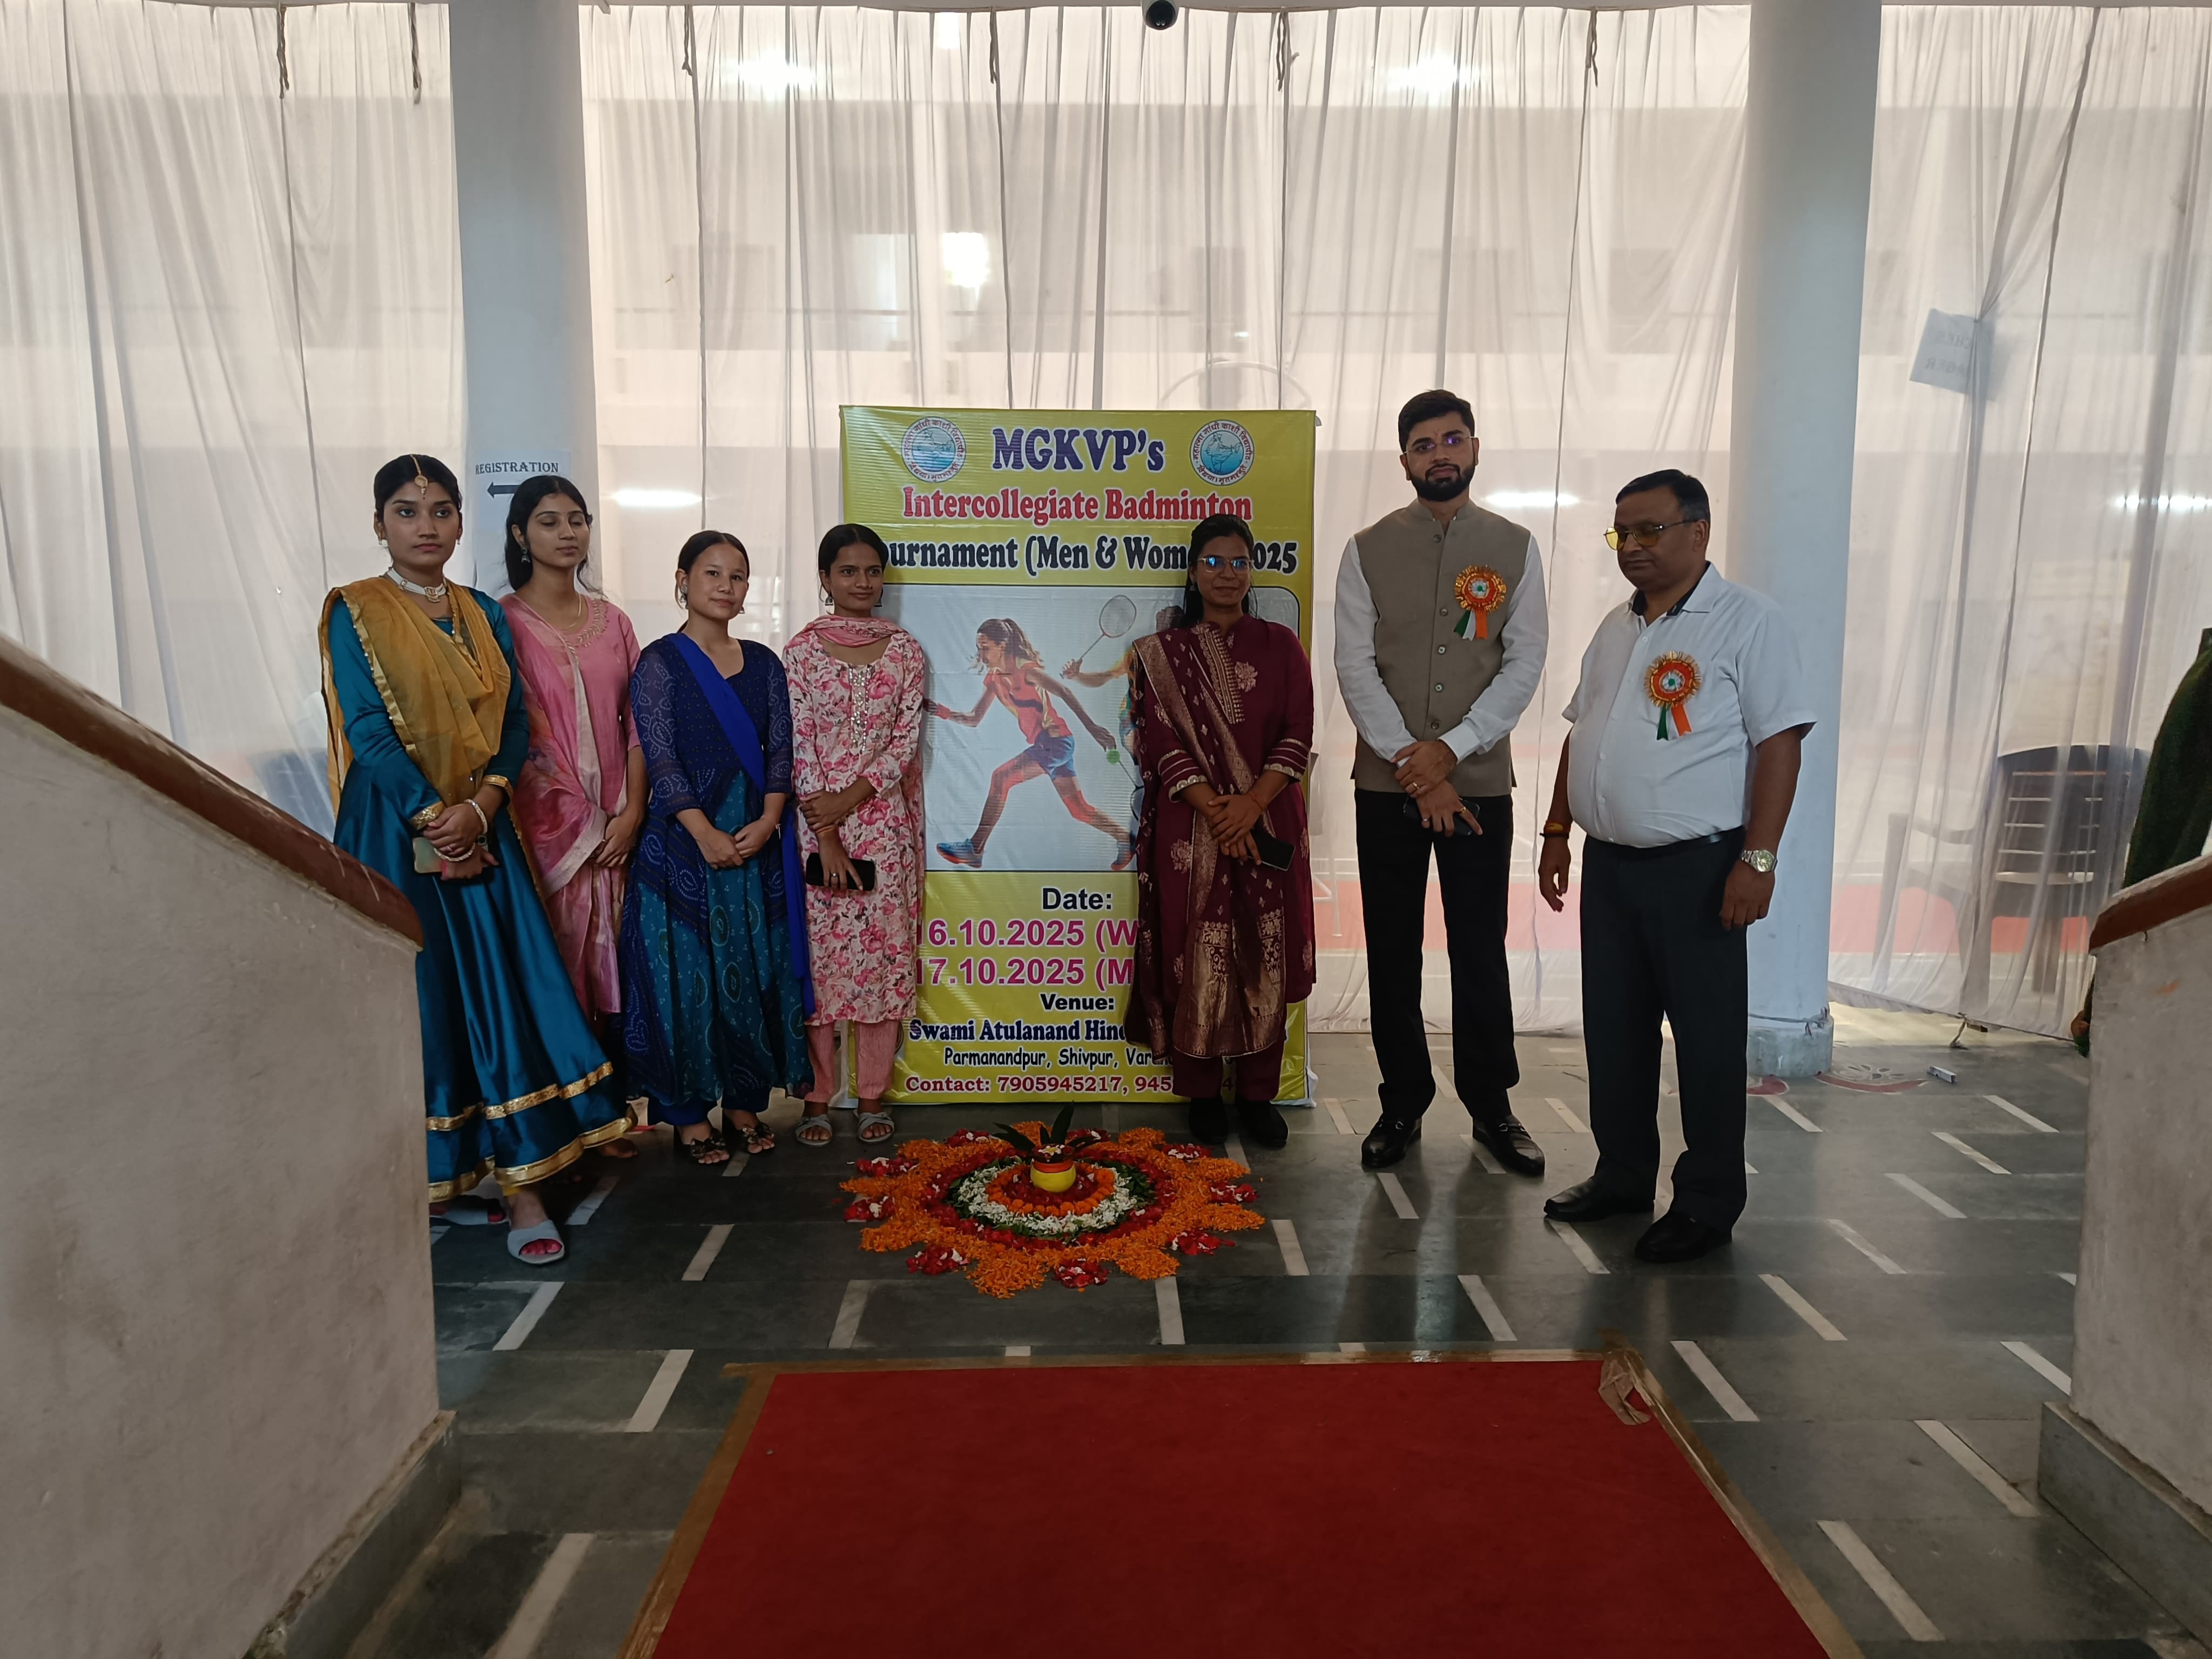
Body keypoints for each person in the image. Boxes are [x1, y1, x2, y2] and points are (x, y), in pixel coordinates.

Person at [321, 454, 631, 1264]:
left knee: (500, 997)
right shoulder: (356, 610)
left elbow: (515, 723)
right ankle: (432, 1181)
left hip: (486, 825)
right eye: (406, 511)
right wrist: (435, 818)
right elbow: (367, 729)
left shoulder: (482, 614)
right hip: (396, 832)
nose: (426, 526)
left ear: (462, 521)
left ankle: (522, 1186)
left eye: (441, 510)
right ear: (379, 525)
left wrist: (483, 807)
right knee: (422, 1004)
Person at [1537, 469, 1815, 1264]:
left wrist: (1757, 859)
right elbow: (1582, 731)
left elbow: (1780, 744)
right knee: (1615, 1032)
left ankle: (1707, 1200)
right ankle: (1623, 1174)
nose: (1632, 546)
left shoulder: (1748, 622)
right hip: (1611, 867)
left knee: (1706, 1039)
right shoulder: (1615, 626)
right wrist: (1557, 828)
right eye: (1621, 533)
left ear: (1698, 531)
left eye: (1649, 530)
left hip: (1700, 869)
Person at [1334, 389, 1549, 1175]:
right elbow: (1354, 664)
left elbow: (1524, 661)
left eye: (1452, 440)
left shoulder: (1516, 547)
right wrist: (1413, 765)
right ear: (1404, 462)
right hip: (1387, 785)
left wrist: (1451, 751)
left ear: (1475, 448)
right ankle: (1402, 1103)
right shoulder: (1365, 549)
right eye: (1423, 445)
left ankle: (1492, 1107)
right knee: (1393, 950)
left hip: (1479, 781)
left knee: (1479, 948)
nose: (1440, 455)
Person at [619, 532, 814, 1165]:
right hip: (682, 842)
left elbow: (781, 747)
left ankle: (743, 1104)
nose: (726, 587)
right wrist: (703, 832)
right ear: (682, 580)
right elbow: (659, 754)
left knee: (752, 969)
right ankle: (687, 1115)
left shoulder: (764, 663)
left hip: (755, 836)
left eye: (738, 576)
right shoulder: (659, 662)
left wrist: (771, 818)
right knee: (686, 976)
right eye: (712, 573)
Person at [1126, 515, 1316, 1148]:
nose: (1227, 574)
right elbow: (1159, 741)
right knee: (1195, 952)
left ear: (1251, 572)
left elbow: (1298, 731)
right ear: (1192, 572)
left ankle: (1258, 1095)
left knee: (1264, 949)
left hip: (1268, 818)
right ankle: (1202, 1092)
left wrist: (1252, 805)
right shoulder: (1162, 654)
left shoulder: (1282, 646)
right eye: (1213, 562)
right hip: (1192, 829)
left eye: (1238, 563)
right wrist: (1218, 810)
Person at [500, 475, 647, 1153]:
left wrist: (632, 813)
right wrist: (585, 824)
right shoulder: (499, 621)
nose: (567, 533)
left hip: (622, 824)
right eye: (549, 521)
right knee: (557, 967)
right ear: (519, 534)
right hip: (547, 833)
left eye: (577, 520)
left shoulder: (613, 623)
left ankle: (608, 1111)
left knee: (620, 966)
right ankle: (560, 1119)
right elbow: (517, 737)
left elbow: (641, 725)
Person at [787, 524, 929, 1145]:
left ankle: (872, 1096)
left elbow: (904, 742)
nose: (862, 582)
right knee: (820, 965)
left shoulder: (905, 652)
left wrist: (852, 800)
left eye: (872, 571)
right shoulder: (799, 652)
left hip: (883, 827)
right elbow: (797, 743)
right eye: (848, 571)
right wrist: (828, 833)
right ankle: (817, 1099)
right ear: (825, 578)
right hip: (814, 827)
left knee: (880, 961)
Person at [927, 617, 1135, 871]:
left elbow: (1064, 692)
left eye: (986, 648)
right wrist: (941, 711)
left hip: (1056, 742)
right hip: (1049, 745)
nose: (981, 654)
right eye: (979, 648)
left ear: (1002, 646)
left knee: (1001, 778)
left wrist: (1092, 728)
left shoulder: (1026, 671)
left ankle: (975, 849)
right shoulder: (994, 678)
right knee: (1079, 810)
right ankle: (1125, 838)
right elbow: (974, 718)